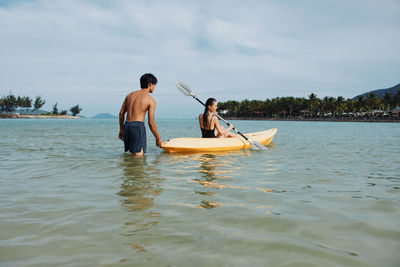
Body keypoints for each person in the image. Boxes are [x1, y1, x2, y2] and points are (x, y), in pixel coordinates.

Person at [118, 73, 162, 157]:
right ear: (149, 84)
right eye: (154, 85)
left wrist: (121, 129)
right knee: (138, 156)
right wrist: (158, 138)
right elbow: (151, 122)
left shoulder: (129, 96)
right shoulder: (150, 100)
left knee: (132, 155)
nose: (154, 87)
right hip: (137, 127)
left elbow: (121, 113)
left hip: (127, 126)